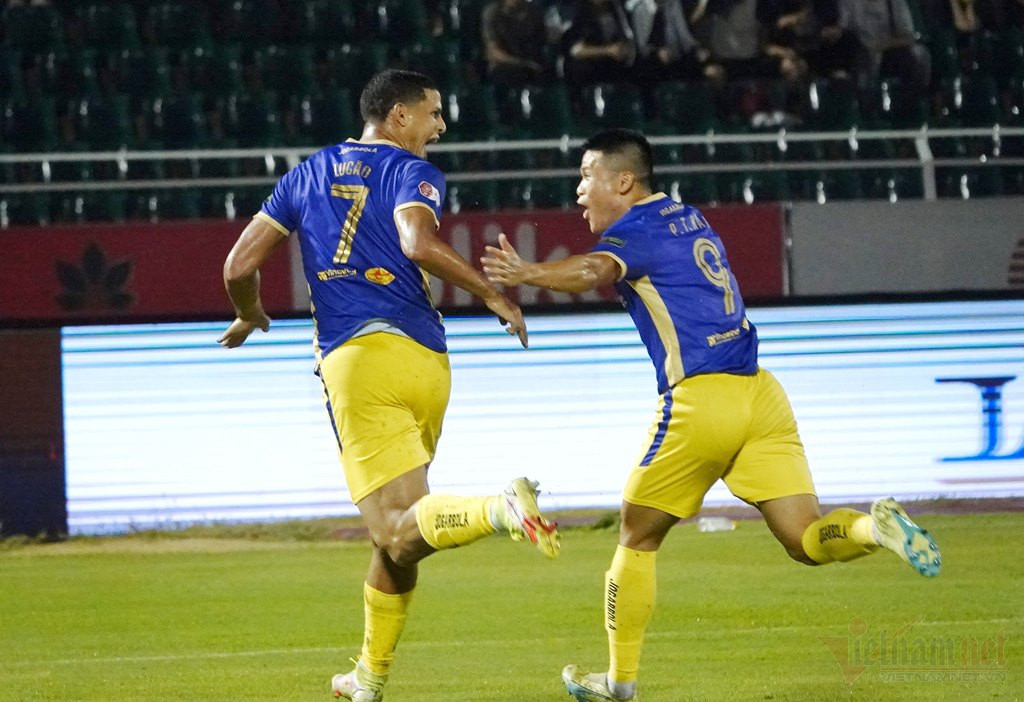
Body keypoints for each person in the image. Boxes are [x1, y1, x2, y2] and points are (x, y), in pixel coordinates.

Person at [481, 128, 942, 702]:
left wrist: (528, 274)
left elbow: (594, 271)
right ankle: (876, 528)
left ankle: (618, 684)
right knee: (804, 539)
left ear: (623, 182)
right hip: (761, 395)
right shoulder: (686, 216)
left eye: (586, 175)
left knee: (636, 534)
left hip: (703, 400)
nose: (578, 190)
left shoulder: (636, 231)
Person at [219, 69, 559, 702]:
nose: (441, 125)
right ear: (398, 116)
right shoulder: (410, 171)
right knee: (399, 538)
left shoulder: (307, 174)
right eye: (434, 112)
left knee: (397, 527)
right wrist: (492, 296)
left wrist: (248, 312)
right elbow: (417, 240)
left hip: (359, 361)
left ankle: (500, 508)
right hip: (425, 360)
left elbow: (240, 265)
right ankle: (368, 678)